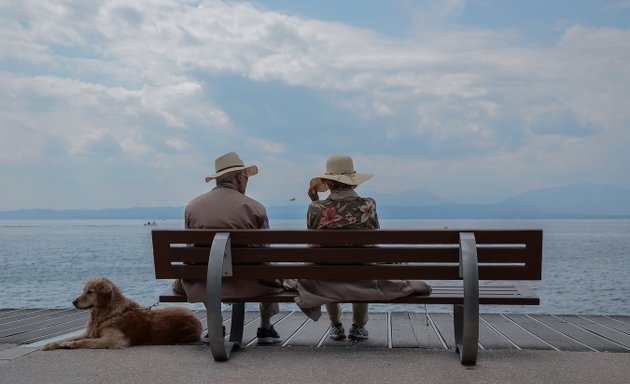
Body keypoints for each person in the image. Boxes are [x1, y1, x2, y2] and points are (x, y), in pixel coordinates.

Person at [172, 151, 284, 345]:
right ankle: (265, 327)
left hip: (203, 282)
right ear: (239, 177)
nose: (247, 182)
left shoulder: (192, 207)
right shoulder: (256, 208)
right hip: (250, 283)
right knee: (270, 269)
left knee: (203, 270)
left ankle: (215, 324)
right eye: (247, 177)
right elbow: (266, 253)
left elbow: (190, 252)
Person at [306, 154, 379, 341]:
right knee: (364, 264)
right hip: (362, 273)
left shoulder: (315, 207)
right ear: (353, 181)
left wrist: (314, 201)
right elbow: (373, 237)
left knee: (326, 265)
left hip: (328, 274)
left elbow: (314, 242)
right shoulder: (369, 205)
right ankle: (358, 326)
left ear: (329, 182)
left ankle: (336, 326)